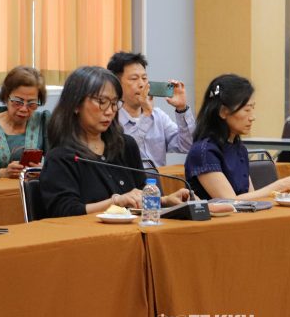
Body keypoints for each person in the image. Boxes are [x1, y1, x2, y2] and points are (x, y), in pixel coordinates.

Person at [40, 66, 190, 217]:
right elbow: (64, 212)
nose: (110, 111)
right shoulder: (61, 157)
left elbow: (139, 195)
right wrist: (116, 201)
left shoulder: (125, 146)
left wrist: (165, 201)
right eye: (102, 101)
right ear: (76, 105)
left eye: (114, 103)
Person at [184, 74, 290, 200]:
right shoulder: (203, 152)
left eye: (252, 108)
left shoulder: (239, 148)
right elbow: (229, 201)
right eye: (246, 110)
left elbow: (251, 198)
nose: (252, 117)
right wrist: (281, 185)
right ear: (223, 112)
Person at [107, 51, 195, 167]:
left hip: (159, 178)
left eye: (144, 78)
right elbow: (122, 154)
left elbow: (188, 145)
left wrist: (181, 109)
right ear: (116, 83)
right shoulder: (110, 118)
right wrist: (147, 114)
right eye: (134, 79)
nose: (142, 84)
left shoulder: (158, 116)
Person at [0, 66, 49, 179]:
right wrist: (3, 173)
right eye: (17, 102)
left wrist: (44, 170)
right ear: (6, 97)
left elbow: (57, 163)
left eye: (31, 103)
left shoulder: (43, 122)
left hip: (35, 187)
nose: (24, 109)